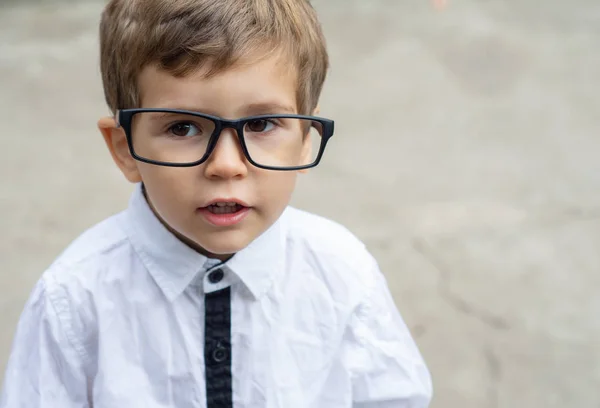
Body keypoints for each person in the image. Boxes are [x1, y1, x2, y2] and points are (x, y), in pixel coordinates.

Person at [0, 0, 433, 406]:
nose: (226, 166)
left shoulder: (343, 274)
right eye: (183, 127)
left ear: (305, 141)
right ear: (124, 148)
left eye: (262, 123)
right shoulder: (73, 298)